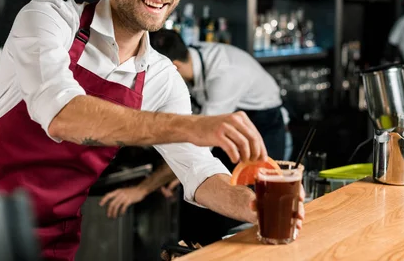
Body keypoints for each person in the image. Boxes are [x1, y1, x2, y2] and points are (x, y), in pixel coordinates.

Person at [0, 0, 304, 261]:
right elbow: (62, 114)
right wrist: (195, 126)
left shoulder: (161, 76)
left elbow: (198, 170)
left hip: (52, 239)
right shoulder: (50, 19)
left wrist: (255, 207)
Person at [100, 29, 289, 244]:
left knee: (245, 215)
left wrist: (144, 188)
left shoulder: (223, 77)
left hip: (263, 126)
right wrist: (177, 172)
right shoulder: (193, 57)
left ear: (172, 67)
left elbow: (198, 145)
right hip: (229, 127)